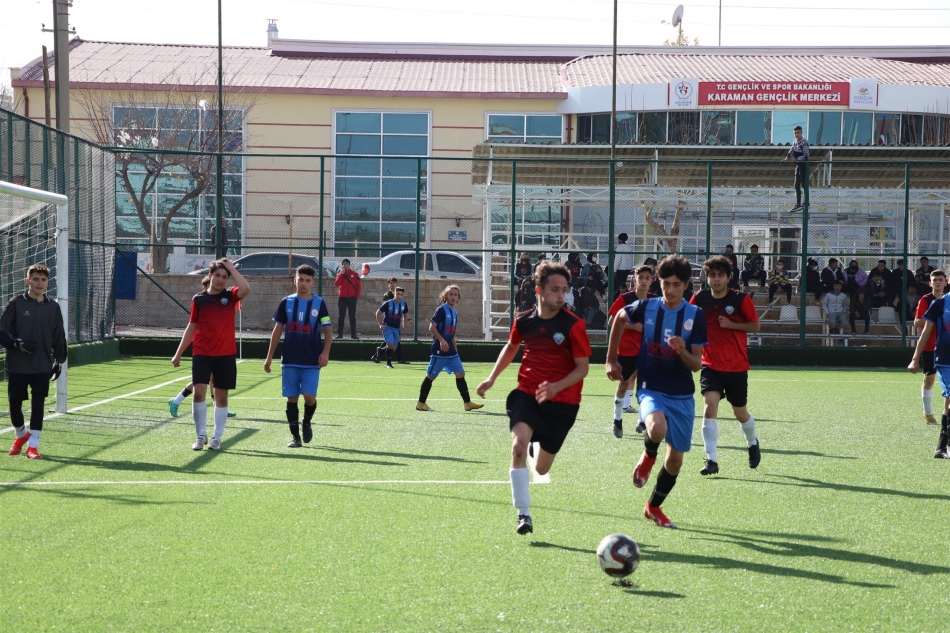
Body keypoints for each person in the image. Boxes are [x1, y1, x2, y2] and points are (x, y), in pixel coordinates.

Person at [476, 261, 592, 535]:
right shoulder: (524, 320)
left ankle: (535, 441)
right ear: (539, 290)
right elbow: (511, 346)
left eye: (564, 290)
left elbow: (583, 368)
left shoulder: (574, 325)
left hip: (564, 403)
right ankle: (523, 513)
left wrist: (556, 387)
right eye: (555, 289)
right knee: (517, 447)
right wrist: (492, 377)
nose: (561, 295)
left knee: (540, 468)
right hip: (528, 394)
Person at [606, 255, 707, 529]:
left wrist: (682, 350)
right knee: (657, 427)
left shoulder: (695, 315)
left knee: (675, 461)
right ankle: (649, 455)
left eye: (676, 284)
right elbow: (619, 317)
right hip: (651, 387)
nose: (670, 290)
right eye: (665, 283)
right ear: (658, 282)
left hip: (682, 394)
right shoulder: (647, 306)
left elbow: (696, 365)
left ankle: (653, 507)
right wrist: (611, 358)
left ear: (685, 285)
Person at [689, 255, 761, 476]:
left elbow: (755, 327)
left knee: (740, 413)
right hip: (710, 365)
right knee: (709, 408)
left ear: (729, 278)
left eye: (721, 275)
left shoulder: (740, 299)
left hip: (736, 366)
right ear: (706, 277)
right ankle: (711, 459)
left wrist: (731, 324)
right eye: (712, 275)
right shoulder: (699, 298)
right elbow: (687, 322)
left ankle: (752, 442)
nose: (716, 279)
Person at [171, 258, 251, 451]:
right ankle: (200, 435)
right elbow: (192, 326)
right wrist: (179, 352)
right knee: (199, 392)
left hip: (225, 354)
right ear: (210, 276)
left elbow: (246, 289)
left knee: (221, 398)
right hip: (202, 353)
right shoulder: (198, 299)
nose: (221, 280)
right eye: (217, 275)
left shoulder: (231, 296)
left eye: (224, 277)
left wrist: (231, 268)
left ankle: (217, 438)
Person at [1, 264, 67, 460]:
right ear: (27, 281)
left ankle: (33, 446)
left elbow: (59, 335)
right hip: (17, 364)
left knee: (38, 404)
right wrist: (17, 343)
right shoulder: (16, 303)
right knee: (14, 405)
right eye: (36, 279)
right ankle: (21, 434)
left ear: (47, 282)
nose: (39, 283)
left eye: (43, 279)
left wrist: (59, 360)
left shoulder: (53, 307)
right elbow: (2, 330)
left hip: (42, 365)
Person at [263, 264, 332, 448]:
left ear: (312, 283)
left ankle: (307, 421)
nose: (303, 283)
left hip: (312, 359)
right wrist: (269, 357)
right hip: (290, 359)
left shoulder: (319, 303)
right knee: (292, 398)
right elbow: (277, 330)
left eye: (307, 280)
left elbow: (328, 329)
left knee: (309, 396)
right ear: (295, 280)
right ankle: (295, 437)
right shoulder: (286, 302)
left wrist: (325, 352)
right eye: (300, 279)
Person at [169, 275, 236, 419]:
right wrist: (179, 352)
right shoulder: (201, 302)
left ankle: (218, 404)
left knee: (210, 381)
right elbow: (192, 327)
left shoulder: (220, 302)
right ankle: (177, 400)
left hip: (216, 351)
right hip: (203, 350)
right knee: (203, 383)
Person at [415, 285, 483, 412]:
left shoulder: (455, 312)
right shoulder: (441, 310)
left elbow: (451, 332)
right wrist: (442, 341)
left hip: (451, 352)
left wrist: (454, 346)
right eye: (450, 294)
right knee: (430, 376)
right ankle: (421, 403)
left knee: (460, 373)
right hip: (439, 351)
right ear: (445, 296)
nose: (453, 297)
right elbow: (432, 327)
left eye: (455, 295)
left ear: (458, 297)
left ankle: (467, 403)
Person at [606, 264, 655, 439]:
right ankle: (617, 418)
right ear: (634, 280)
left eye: (647, 278)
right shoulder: (625, 299)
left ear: (652, 281)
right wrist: (634, 327)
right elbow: (611, 322)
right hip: (626, 349)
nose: (643, 281)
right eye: (640, 278)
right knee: (624, 384)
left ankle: (642, 421)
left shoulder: (655, 300)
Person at [907, 277, 950, 458]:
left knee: (948, 400)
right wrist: (915, 358)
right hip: (945, 359)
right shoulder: (939, 303)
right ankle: (944, 445)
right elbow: (925, 331)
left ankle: (942, 445)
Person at [914, 269, 947, 426]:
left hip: (946, 346)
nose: (937, 282)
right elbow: (917, 321)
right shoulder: (926, 300)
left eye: (940, 279)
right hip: (929, 346)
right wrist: (935, 318)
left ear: (946, 282)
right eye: (935, 280)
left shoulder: (948, 300)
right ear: (930, 283)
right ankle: (928, 412)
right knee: (929, 378)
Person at [374, 278, 411, 365]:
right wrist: (381, 324)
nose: (399, 296)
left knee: (394, 346)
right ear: (394, 293)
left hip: (396, 327)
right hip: (387, 325)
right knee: (390, 344)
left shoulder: (403, 303)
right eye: (397, 294)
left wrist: (405, 323)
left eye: (401, 294)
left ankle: (380, 350)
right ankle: (389, 363)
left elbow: (405, 314)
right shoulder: (387, 299)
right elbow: (379, 312)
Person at [782, 124, 809, 212]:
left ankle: (806, 202)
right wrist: (787, 158)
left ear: (801, 133)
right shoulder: (795, 142)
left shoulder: (804, 142)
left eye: (798, 133)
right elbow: (791, 150)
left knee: (804, 184)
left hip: (804, 165)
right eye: (795, 133)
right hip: (798, 165)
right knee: (796, 184)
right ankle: (798, 204)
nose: (796, 134)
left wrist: (796, 159)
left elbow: (805, 155)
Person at [334, 258, 361, 340]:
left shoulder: (355, 274)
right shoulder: (340, 274)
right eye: (344, 264)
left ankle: (353, 335)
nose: (345, 265)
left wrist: (356, 297)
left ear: (349, 264)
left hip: (352, 298)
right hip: (342, 298)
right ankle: (340, 334)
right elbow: (337, 284)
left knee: (352, 317)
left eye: (346, 264)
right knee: (341, 316)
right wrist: (341, 275)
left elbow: (358, 286)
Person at [613, 233, 635, 297]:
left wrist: (614, 269)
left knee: (619, 284)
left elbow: (618, 259)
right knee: (622, 283)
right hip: (627, 268)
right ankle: (625, 295)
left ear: (619, 239)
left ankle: (618, 297)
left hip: (621, 268)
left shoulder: (620, 247)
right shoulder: (629, 247)